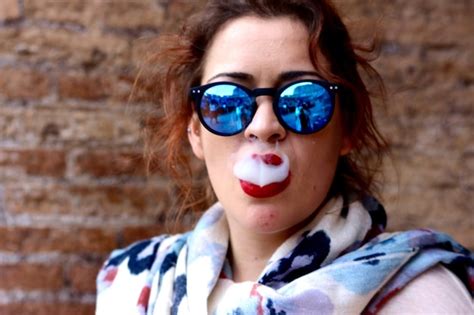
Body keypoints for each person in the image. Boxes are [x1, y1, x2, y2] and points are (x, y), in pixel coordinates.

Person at [96, 1, 474, 314]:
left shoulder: (423, 299)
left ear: (347, 128)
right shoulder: (131, 287)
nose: (263, 126)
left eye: (302, 100)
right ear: (196, 130)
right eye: (227, 101)